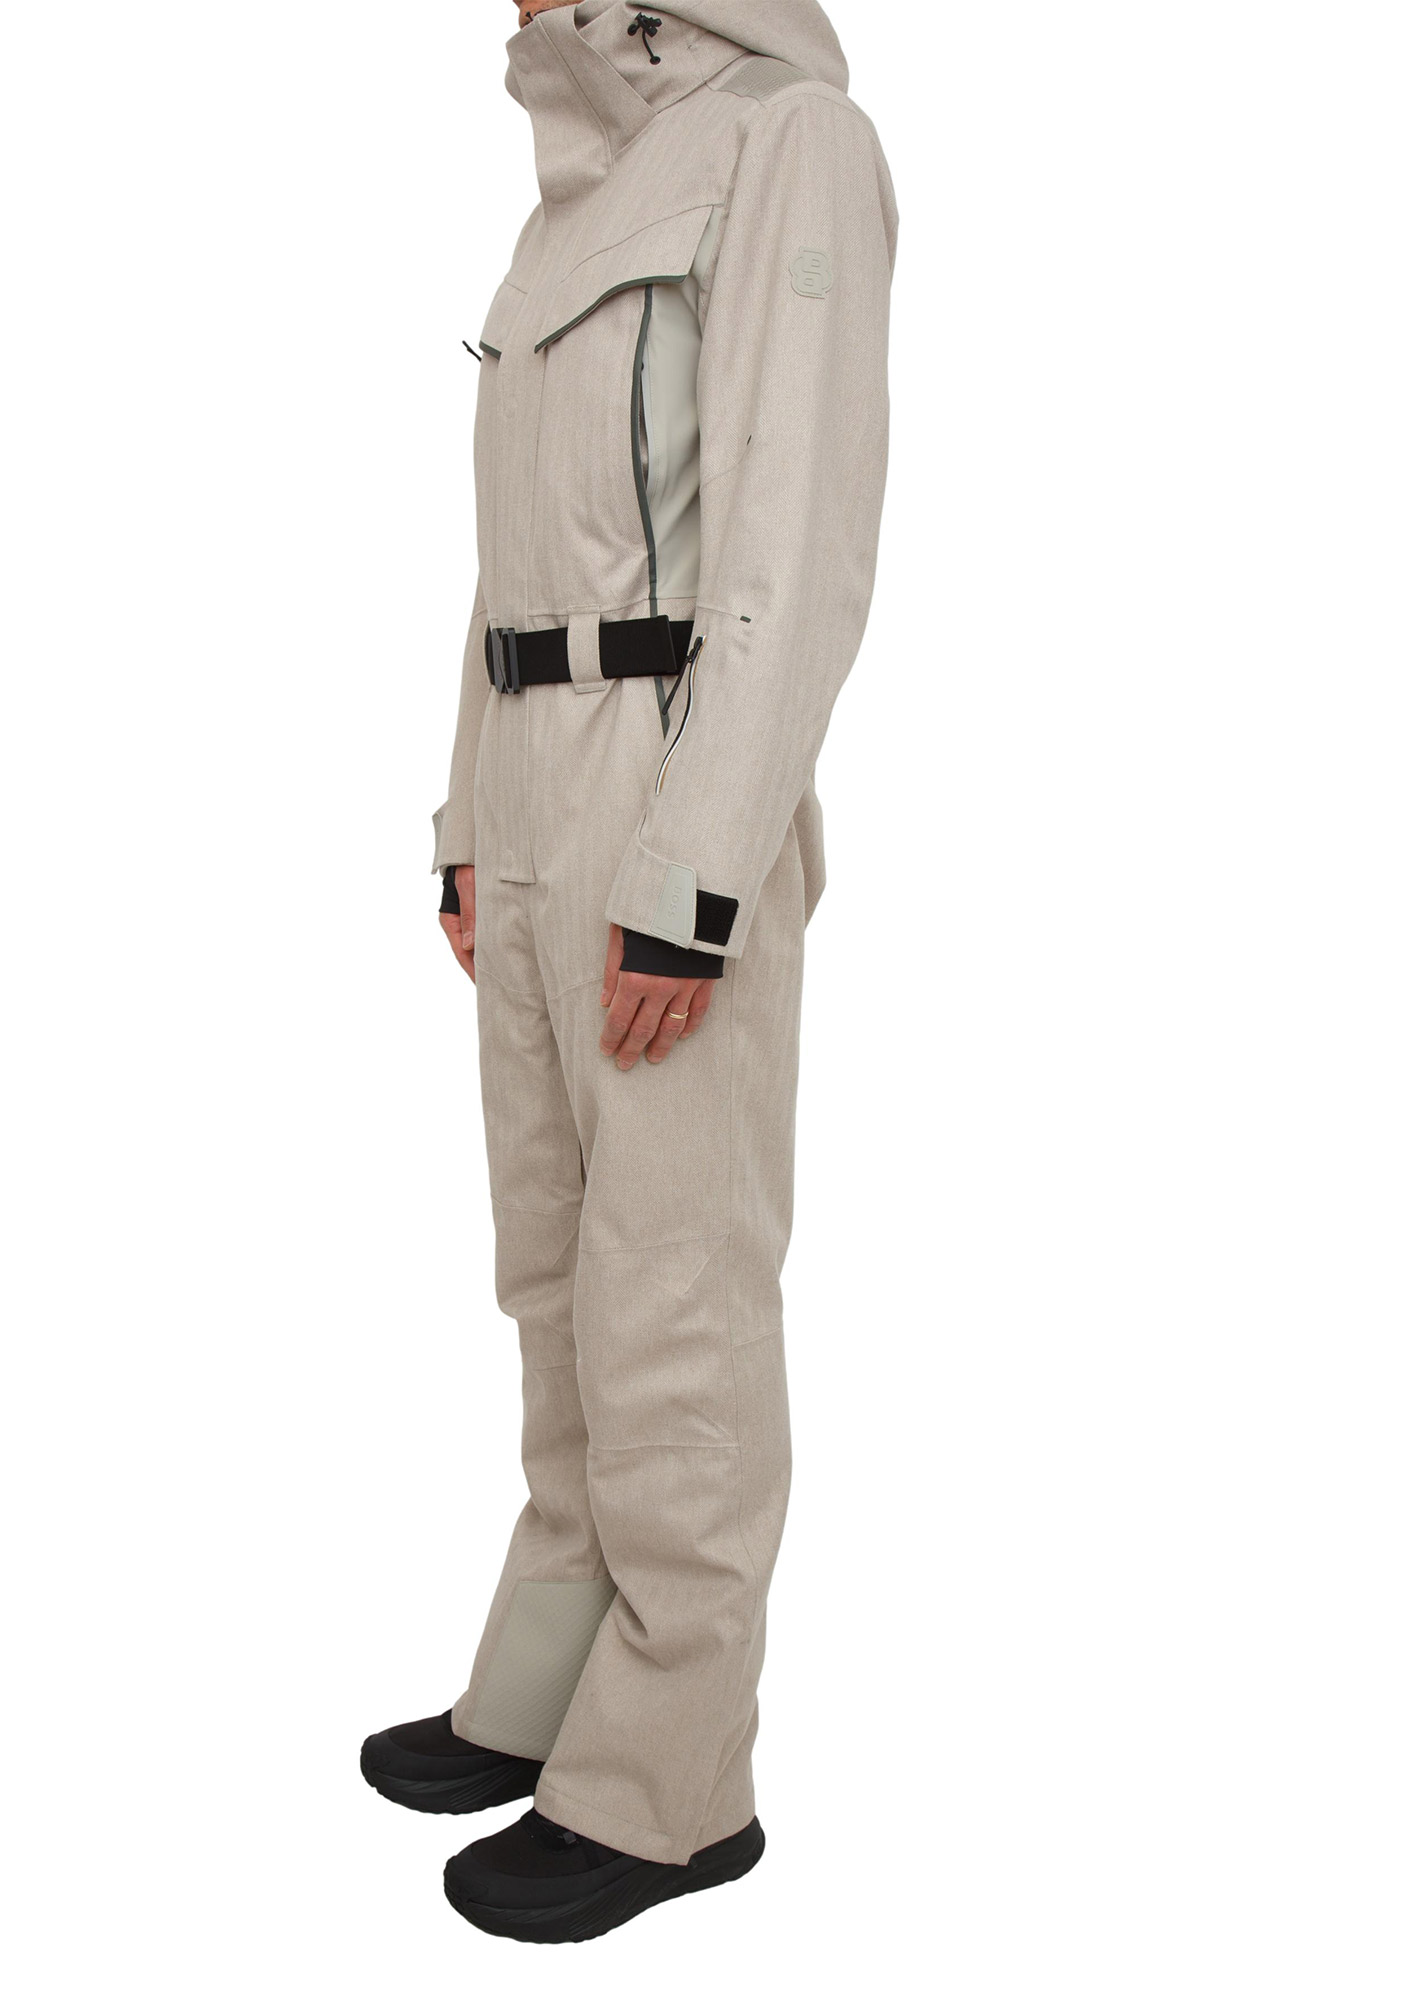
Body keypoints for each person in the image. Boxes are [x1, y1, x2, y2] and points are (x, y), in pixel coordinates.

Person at [361, 0, 896, 1943]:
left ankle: (671, 1783)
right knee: (553, 1267)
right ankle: (555, 1675)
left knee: (672, 1286)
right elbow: (508, 562)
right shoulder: (567, 197)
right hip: (532, 776)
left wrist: (696, 875)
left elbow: (796, 533)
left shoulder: (784, 139)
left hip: (668, 777)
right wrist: (466, 815)